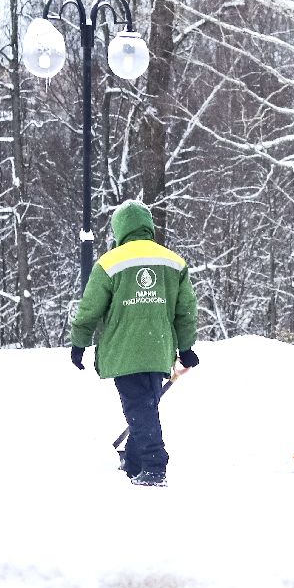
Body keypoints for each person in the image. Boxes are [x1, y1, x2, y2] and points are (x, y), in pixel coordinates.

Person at [69, 200, 200, 487]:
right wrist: (186, 347)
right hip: (159, 349)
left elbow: (89, 310)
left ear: (120, 229)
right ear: (148, 226)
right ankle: (134, 461)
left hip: (124, 350)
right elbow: (186, 310)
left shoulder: (109, 263)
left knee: (140, 407)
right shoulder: (173, 262)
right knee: (145, 405)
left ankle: (154, 465)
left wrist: (79, 343)